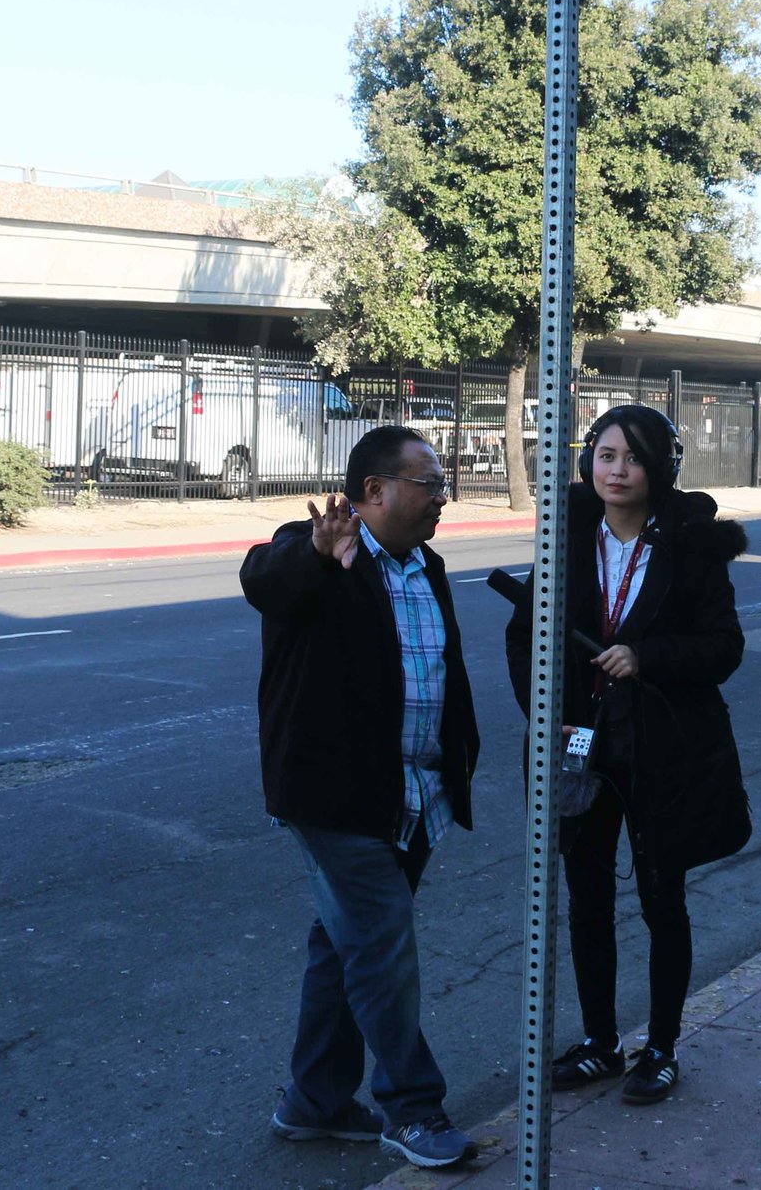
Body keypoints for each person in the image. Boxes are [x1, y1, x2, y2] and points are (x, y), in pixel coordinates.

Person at [240, 426, 482, 1171]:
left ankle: (312, 1100)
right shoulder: (315, 551)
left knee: (342, 943)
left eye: (443, 482)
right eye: (429, 481)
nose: (443, 494)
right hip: (336, 797)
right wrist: (316, 550)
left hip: (413, 793)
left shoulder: (426, 564)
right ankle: (411, 1107)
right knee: (380, 943)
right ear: (374, 491)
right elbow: (265, 580)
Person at [499, 404, 750, 1106]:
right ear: (589, 462)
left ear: (661, 466)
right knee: (586, 897)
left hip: (660, 747)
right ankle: (601, 1041)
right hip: (579, 747)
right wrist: (546, 712)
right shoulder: (566, 537)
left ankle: (662, 1046)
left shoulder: (692, 545)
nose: (617, 470)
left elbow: (724, 646)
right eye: (605, 454)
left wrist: (647, 656)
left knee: (663, 898)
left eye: (633, 457)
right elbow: (524, 638)